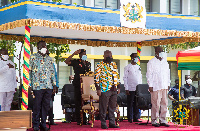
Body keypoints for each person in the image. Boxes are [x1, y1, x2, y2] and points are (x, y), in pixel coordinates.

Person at [29, 41, 57, 131]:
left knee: (46, 106)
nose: (44, 47)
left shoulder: (49, 58)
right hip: (37, 86)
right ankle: (36, 125)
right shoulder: (33, 57)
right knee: (37, 106)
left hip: (48, 86)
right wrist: (29, 85)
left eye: (45, 45)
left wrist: (54, 85)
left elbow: (52, 72)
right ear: (38, 48)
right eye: (42, 46)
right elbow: (29, 72)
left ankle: (43, 124)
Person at [95, 50, 120, 129]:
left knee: (112, 107)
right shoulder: (99, 65)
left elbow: (117, 76)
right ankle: (103, 123)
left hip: (114, 89)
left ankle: (112, 123)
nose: (110, 57)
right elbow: (96, 78)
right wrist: (98, 89)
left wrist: (118, 87)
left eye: (111, 55)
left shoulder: (114, 64)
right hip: (104, 89)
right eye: (108, 56)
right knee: (103, 107)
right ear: (104, 56)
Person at [65, 49, 91, 125]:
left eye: (85, 54)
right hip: (78, 84)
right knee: (78, 102)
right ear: (79, 55)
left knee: (85, 102)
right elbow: (66, 62)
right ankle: (79, 119)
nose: (84, 55)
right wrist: (73, 54)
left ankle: (85, 119)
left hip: (86, 85)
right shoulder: (76, 62)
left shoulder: (88, 63)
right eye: (82, 54)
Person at [146, 46, 171, 127]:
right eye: (160, 51)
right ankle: (154, 120)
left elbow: (168, 74)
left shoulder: (165, 62)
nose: (161, 52)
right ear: (156, 52)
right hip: (155, 86)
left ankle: (163, 120)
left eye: (162, 51)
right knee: (156, 104)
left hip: (164, 85)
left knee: (164, 103)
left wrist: (168, 83)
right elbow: (149, 74)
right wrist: (150, 85)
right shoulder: (151, 62)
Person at [123, 53, 142, 123]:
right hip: (130, 87)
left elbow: (140, 78)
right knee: (130, 103)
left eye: (137, 57)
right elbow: (125, 78)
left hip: (137, 88)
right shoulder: (127, 67)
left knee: (136, 103)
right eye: (135, 57)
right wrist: (126, 88)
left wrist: (140, 87)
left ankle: (136, 117)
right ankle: (130, 117)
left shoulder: (138, 67)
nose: (136, 58)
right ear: (132, 58)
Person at [46, 50, 59, 125]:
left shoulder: (51, 63)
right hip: (42, 88)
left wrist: (56, 86)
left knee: (50, 104)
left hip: (51, 88)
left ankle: (51, 120)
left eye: (48, 54)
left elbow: (55, 75)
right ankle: (42, 121)